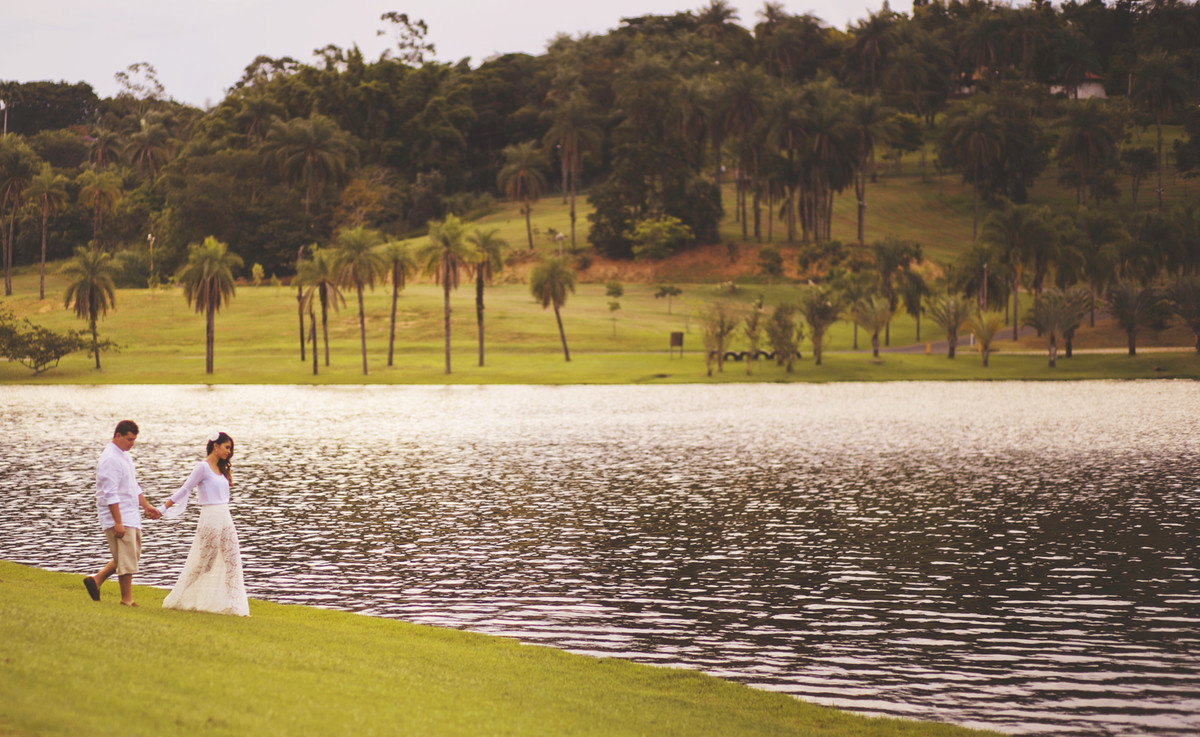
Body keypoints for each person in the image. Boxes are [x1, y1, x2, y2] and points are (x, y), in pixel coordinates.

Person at [159, 431, 249, 617]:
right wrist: (163, 508)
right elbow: (185, 488)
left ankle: (234, 605)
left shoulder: (222, 469)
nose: (229, 452)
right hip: (210, 517)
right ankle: (177, 597)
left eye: (230, 449)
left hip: (225, 516)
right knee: (205, 563)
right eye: (226, 447)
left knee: (232, 560)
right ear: (215, 446)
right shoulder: (202, 467)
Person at [84, 420, 161, 606]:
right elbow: (110, 493)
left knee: (131, 555)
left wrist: (146, 506)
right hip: (118, 515)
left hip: (131, 513)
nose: (132, 443)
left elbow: (132, 485)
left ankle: (97, 580)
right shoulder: (110, 459)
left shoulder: (125, 455)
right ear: (117, 435)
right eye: (129, 439)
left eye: (134, 440)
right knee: (126, 557)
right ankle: (126, 599)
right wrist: (117, 522)